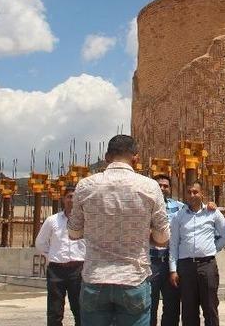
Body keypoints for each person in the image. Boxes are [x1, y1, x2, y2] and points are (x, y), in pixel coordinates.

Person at [68, 134, 170, 326]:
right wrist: (146, 235)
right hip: (133, 278)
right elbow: (163, 237)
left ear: (107, 157)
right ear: (136, 158)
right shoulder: (149, 186)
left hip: (95, 277)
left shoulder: (85, 186)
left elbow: (73, 233)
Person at [169, 181, 225, 326]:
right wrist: (173, 270)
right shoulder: (178, 216)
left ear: (202, 193)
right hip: (186, 267)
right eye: (189, 192)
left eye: (195, 192)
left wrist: (212, 248)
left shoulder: (212, 212)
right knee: (188, 310)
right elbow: (174, 244)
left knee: (210, 308)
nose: (192, 195)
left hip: (207, 265)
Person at [36, 185, 86, 326]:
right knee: (54, 311)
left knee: (80, 309)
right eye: (69, 196)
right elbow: (40, 243)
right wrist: (52, 256)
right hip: (56, 271)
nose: (72, 200)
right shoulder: (52, 220)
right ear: (63, 199)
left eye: (75, 197)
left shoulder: (86, 221)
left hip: (78, 270)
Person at [149, 174, 184, 326]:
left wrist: (210, 205)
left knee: (172, 305)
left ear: (170, 188)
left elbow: (196, 211)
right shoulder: (144, 206)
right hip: (150, 262)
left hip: (171, 263)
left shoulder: (179, 207)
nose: (162, 188)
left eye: (165, 186)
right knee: (149, 304)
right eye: (159, 185)